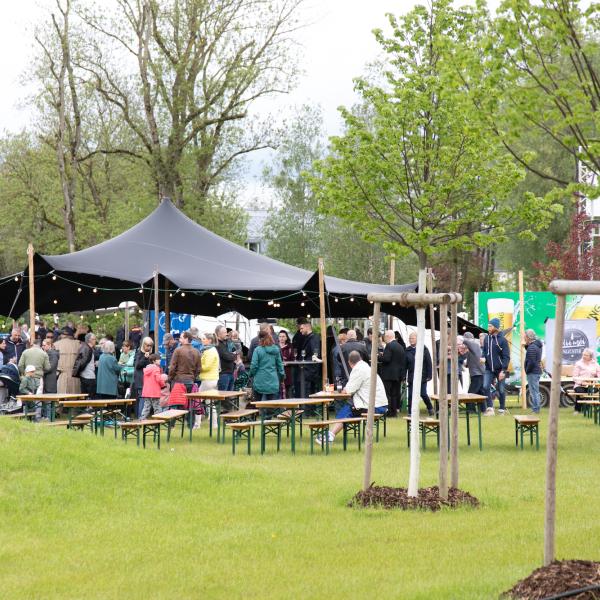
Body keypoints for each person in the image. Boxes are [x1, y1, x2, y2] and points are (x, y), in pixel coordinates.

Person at [318, 351, 388, 445]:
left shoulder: (358, 370)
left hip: (374, 406)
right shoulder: (366, 367)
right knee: (350, 406)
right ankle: (330, 434)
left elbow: (348, 390)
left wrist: (342, 390)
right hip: (380, 404)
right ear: (361, 359)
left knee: (349, 408)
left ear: (349, 363)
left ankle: (330, 435)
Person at [482, 318, 511, 416]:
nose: (488, 328)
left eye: (490, 326)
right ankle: (490, 408)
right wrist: (482, 357)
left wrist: (503, 370)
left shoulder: (503, 340)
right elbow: (484, 351)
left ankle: (502, 409)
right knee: (485, 386)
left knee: (501, 389)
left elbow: (506, 356)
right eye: (488, 326)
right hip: (489, 368)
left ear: (496, 327)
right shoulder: (486, 338)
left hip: (500, 369)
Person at [249, 328, 284, 401]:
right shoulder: (276, 349)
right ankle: (270, 413)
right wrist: (282, 377)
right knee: (272, 406)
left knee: (257, 405)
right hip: (273, 381)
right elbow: (280, 365)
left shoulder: (258, 350)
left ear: (260, 339)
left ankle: (259, 413)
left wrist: (251, 374)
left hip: (259, 381)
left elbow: (254, 365)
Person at [405, 332, 435, 416]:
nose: (411, 340)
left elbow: (429, 363)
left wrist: (429, 375)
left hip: (422, 376)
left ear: (417, 339)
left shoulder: (424, 349)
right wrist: (404, 376)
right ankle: (410, 412)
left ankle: (430, 408)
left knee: (423, 394)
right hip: (412, 376)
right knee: (410, 395)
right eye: (410, 338)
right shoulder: (407, 350)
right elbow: (405, 365)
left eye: (413, 338)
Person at [380, 330, 406, 417]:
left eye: (384, 337)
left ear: (388, 336)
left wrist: (379, 356)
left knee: (388, 394)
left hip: (388, 375)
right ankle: (394, 412)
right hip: (397, 375)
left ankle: (389, 412)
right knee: (395, 394)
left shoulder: (389, 346)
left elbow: (387, 359)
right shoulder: (400, 346)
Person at [458, 331, 485, 411]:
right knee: (480, 393)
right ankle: (483, 409)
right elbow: (468, 360)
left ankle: (471, 410)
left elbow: (466, 341)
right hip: (477, 374)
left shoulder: (474, 345)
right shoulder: (472, 349)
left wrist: (459, 339)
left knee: (471, 393)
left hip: (478, 374)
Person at [572, 347, 600, 414]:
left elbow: (599, 373)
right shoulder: (578, 364)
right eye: (583, 355)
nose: (584, 356)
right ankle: (577, 410)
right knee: (580, 391)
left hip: (591, 385)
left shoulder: (595, 364)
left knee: (591, 391)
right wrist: (582, 383)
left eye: (586, 355)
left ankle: (588, 409)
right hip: (580, 385)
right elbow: (575, 377)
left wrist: (597, 378)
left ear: (591, 356)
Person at [54, 326, 81, 394]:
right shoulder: (78, 344)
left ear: (63, 335)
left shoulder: (56, 344)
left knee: (61, 398)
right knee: (75, 399)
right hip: (75, 376)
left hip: (62, 376)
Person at [140, 353, 167, 419]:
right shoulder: (156, 368)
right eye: (158, 359)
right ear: (154, 361)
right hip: (154, 391)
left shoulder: (147, 368)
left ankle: (142, 418)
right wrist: (163, 385)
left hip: (147, 391)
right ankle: (159, 419)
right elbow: (158, 379)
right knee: (157, 406)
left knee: (146, 406)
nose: (160, 361)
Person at [133, 337, 155, 417]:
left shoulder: (150, 354)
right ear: (144, 345)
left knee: (146, 400)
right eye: (147, 345)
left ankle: (142, 417)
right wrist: (145, 358)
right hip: (140, 380)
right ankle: (140, 418)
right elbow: (137, 366)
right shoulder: (139, 353)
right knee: (142, 399)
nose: (149, 347)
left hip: (147, 381)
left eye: (150, 346)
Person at [523, 329, 543, 414]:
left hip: (532, 372)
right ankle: (536, 408)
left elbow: (531, 362)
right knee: (535, 391)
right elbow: (529, 349)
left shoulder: (532, 347)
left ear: (528, 337)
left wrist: (527, 371)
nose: (524, 338)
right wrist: (526, 345)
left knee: (534, 391)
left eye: (525, 336)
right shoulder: (536, 345)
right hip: (536, 371)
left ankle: (536, 409)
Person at [73, 333, 97, 399]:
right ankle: (88, 408)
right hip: (88, 376)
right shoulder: (87, 349)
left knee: (85, 395)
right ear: (90, 340)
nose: (95, 341)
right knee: (89, 396)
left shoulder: (86, 348)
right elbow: (83, 362)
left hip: (85, 375)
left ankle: (86, 408)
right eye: (94, 339)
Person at [41, 338, 59, 417]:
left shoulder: (53, 354)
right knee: (46, 400)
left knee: (49, 400)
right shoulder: (46, 353)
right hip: (46, 379)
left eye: (44, 345)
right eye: (42, 345)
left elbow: (50, 367)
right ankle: (46, 416)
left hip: (50, 380)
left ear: (49, 345)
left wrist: (40, 371)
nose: (42, 347)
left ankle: (49, 417)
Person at [215, 325, 236, 391]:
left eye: (226, 332)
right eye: (224, 332)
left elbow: (235, 353)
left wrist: (233, 355)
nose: (226, 334)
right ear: (218, 333)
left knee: (229, 397)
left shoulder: (226, 343)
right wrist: (233, 355)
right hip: (223, 374)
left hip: (230, 373)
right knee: (223, 397)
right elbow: (228, 357)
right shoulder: (218, 345)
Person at [278, 330, 294, 398]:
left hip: (287, 371)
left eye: (283, 336)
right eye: (280, 336)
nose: (281, 338)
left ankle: (288, 407)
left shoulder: (290, 347)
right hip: (277, 372)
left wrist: (287, 363)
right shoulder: (275, 347)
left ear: (286, 337)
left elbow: (293, 359)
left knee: (287, 390)